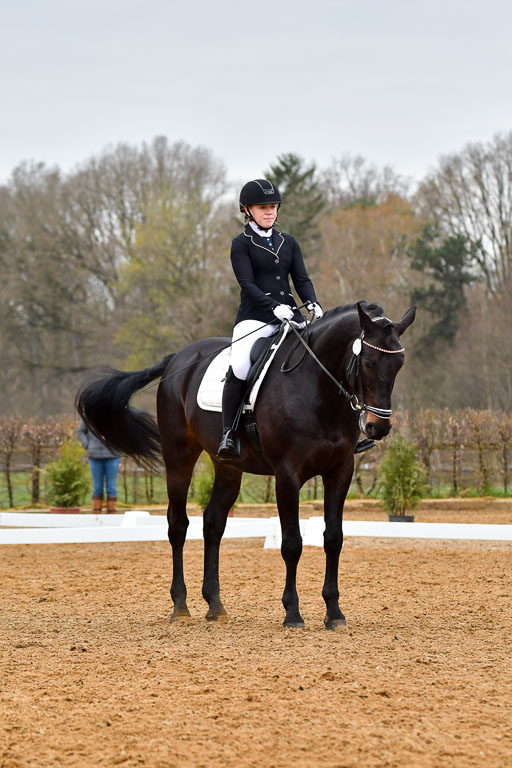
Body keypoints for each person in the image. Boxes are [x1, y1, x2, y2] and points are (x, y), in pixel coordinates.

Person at [217, 178, 323, 461]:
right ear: (247, 210)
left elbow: (301, 279)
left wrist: (312, 301)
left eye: (273, 207)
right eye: (263, 207)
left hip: (291, 315)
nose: (270, 212)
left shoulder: (289, 242)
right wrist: (273, 306)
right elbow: (247, 284)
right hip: (255, 318)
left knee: (321, 357)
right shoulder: (241, 244)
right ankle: (229, 433)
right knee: (240, 366)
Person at [77, 419, 122, 512]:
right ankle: (96, 516)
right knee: (97, 488)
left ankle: (111, 516)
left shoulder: (115, 413)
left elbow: (124, 431)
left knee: (111, 488)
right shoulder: (89, 414)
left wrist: (118, 444)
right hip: (94, 456)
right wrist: (87, 444)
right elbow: (80, 431)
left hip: (112, 456)